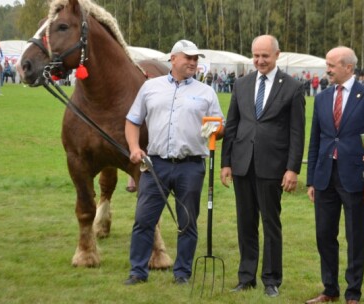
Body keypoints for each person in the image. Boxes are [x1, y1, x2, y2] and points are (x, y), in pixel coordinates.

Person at [123, 39, 224, 285]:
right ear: (173, 58)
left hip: (191, 165)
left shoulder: (206, 92)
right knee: (144, 220)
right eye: (188, 58)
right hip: (155, 164)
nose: (192, 62)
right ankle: (137, 271)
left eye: (195, 59)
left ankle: (182, 274)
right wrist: (135, 148)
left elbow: (218, 128)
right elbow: (133, 120)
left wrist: (217, 129)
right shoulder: (150, 87)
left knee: (187, 222)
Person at [220, 34, 305, 298]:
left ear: (277, 55)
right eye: (256, 56)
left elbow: (297, 132)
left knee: (270, 224)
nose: (259, 61)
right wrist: (226, 163)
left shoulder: (292, 87)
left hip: (273, 166)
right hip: (243, 164)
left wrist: (292, 168)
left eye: (265, 56)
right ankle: (246, 278)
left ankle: (271, 279)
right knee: (245, 223)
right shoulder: (242, 84)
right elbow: (232, 124)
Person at [305, 46, 364, 304]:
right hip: (325, 177)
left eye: (332, 64)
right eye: (327, 64)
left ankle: (353, 294)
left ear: (348, 67)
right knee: (324, 235)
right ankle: (329, 290)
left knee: (355, 237)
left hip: (356, 179)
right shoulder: (322, 97)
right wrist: (311, 180)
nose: (327, 69)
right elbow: (315, 140)